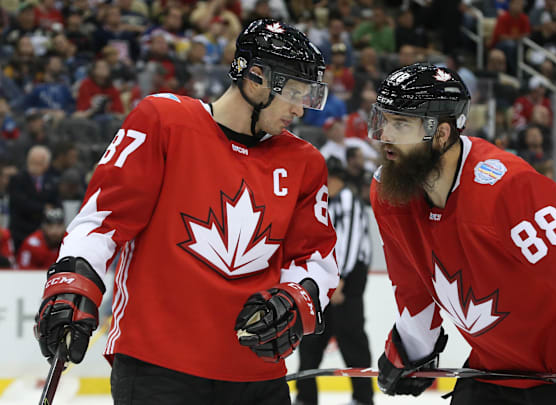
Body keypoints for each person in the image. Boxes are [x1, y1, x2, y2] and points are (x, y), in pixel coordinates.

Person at [33, 19, 339, 405]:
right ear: (256, 77)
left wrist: (296, 297)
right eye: (294, 91)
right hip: (158, 369)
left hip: (256, 375)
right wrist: (74, 279)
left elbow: (315, 257)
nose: (300, 109)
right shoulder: (164, 121)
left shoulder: (304, 162)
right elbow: (102, 219)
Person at [368, 63, 556, 405]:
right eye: (384, 120)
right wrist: (413, 348)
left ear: (441, 134)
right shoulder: (388, 193)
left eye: (401, 124)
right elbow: (413, 283)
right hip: (493, 371)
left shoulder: (504, 188)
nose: (385, 136)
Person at [295, 158, 373, 405]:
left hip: (345, 283)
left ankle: (362, 398)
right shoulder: (322, 202)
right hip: (327, 281)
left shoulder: (348, 200)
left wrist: (340, 281)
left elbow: (350, 240)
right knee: (310, 341)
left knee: (352, 340)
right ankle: (306, 397)